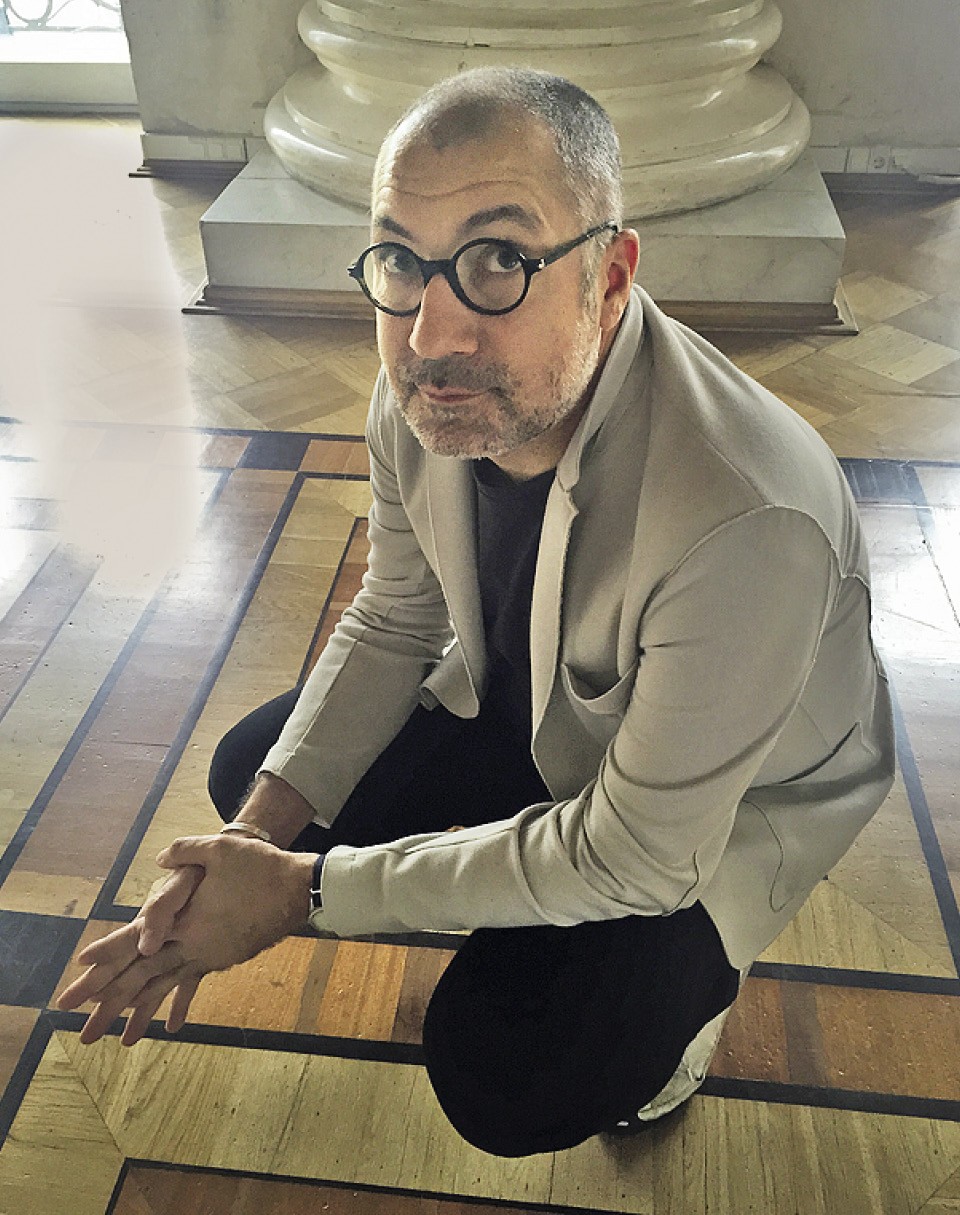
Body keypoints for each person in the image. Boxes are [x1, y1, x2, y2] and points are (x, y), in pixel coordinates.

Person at [59, 67, 895, 1157]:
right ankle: (502, 870)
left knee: (508, 1075)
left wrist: (304, 894)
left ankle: (686, 1003)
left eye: (500, 257)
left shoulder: (746, 515)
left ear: (609, 276)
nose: (430, 333)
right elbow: (397, 619)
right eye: (402, 261)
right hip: (536, 700)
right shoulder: (429, 386)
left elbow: (639, 855)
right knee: (257, 774)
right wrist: (252, 843)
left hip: (717, 811)